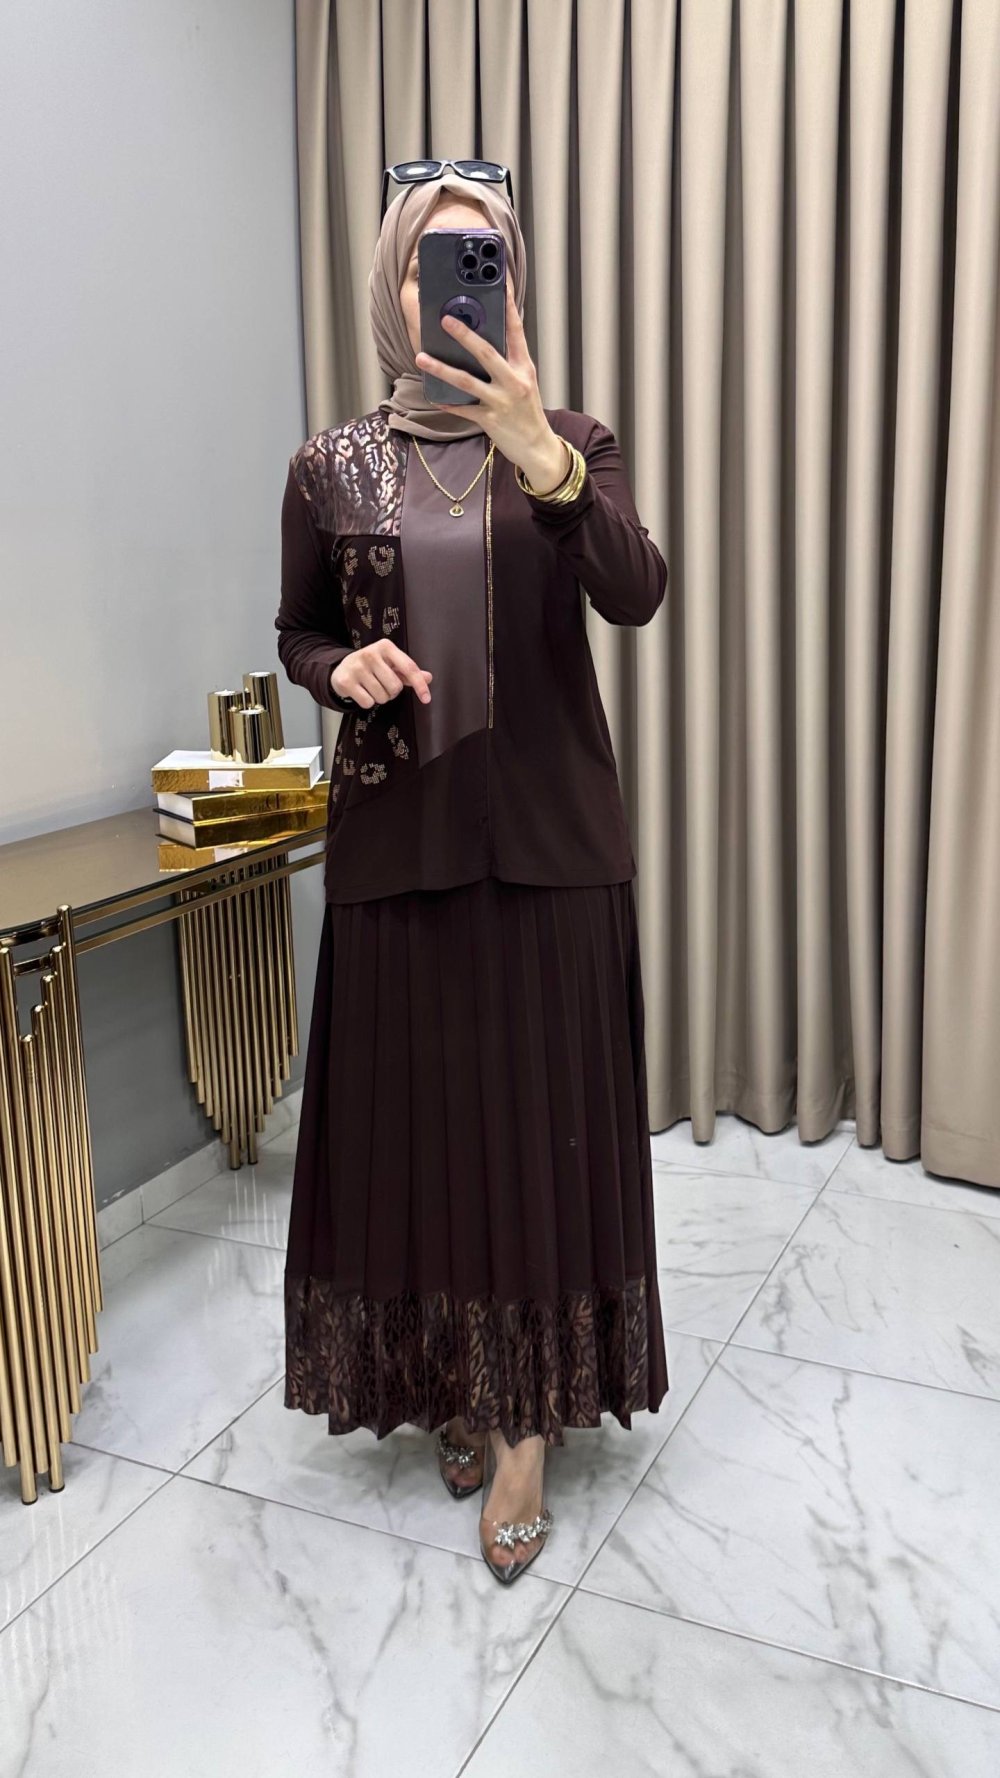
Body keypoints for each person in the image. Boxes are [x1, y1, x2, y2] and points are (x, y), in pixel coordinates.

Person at [275, 163, 669, 1584]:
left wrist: (541, 455)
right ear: (393, 288)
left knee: (543, 1129)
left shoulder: (570, 441)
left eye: (482, 257)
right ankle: (455, 1368)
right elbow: (299, 630)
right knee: (430, 1128)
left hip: (551, 844)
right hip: (400, 839)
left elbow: (635, 588)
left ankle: (526, 1426)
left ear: (511, 282)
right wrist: (341, 669)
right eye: (430, 261)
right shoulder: (328, 466)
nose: (454, 283)